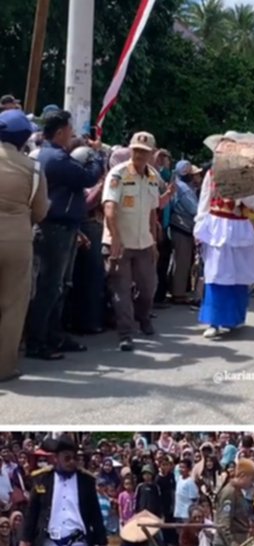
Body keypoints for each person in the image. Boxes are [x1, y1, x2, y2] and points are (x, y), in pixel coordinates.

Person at [25, 110, 104, 361]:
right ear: (60, 132)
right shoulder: (55, 158)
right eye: (70, 129)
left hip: (64, 228)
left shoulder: (53, 155)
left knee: (59, 286)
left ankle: (53, 334)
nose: (73, 134)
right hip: (54, 229)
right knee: (49, 287)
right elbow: (88, 176)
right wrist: (97, 153)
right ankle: (37, 341)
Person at [102, 131, 174, 351]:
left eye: (144, 152)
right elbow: (109, 208)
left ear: (153, 154)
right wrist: (115, 238)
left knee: (148, 287)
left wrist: (153, 241)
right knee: (121, 290)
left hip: (143, 242)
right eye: (136, 151)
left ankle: (143, 318)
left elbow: (153, 210)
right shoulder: (118, 174)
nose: (140, 155)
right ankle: (125, 333)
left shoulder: (153, 176)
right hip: (120, 242)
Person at [194, 131, 254, 339]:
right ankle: (214, 321)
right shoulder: (212, 173)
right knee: (215, 274)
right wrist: (200, 225)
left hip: (239, 227)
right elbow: (204, 200)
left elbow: (253, 203)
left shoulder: (246, 173)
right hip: (217, 227)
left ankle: (234, 318)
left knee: (238, 274)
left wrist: (241, 192)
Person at [0, 110, 49, 381]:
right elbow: (40, 211)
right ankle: (4, 367)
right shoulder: (33, 168)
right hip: (17, 241)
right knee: (12, 305)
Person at [214, 458, 254, 546]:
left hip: (240, 541)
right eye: (251, 479)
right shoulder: (229, 493)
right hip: (228, 545)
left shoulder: (238, 492)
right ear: (243, 475)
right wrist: (232, 543)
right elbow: (224, 523)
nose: (252, 483)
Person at [170, 159, 199, 303]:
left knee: (180, 261)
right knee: (182, 262)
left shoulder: (180, 185)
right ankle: (178, 294)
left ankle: (178, 291)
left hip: (180, 226)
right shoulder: (184, 189)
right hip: (183, 226)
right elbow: (194, 209)